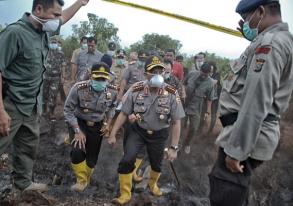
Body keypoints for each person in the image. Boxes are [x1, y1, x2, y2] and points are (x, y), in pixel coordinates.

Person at [0, 0, 89, 193]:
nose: (58, 19)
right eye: (54, 14)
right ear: (38, 9)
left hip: (31, 106)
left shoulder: (43, 30)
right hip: (10, 105)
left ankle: (23, 183)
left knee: (27, 148)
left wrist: (80, 3)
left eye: (58, 14)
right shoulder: (15, 33)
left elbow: (64, 18)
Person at [209, 0, 293, 205]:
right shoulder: (273, 40)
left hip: (245, 134)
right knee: (234, 193)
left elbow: (256, 100)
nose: (245, 23)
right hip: (248, 131)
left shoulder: (270, 43)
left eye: (247, 18)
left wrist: (236, 150)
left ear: (261, 11)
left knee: (226, 191)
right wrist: (254, 39)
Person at [107, 55, 185, 205]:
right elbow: (124, 113)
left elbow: (176, 122)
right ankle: (125, 193)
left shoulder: (171, 93)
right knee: (127, 159)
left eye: (160, 71)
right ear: (145, 74)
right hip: (138, 131)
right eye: (153, 71)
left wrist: (174, 147)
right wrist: (112, 134)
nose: (157, 74)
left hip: (159, 134)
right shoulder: (135, 89)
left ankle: (152, 184)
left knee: (156, 164)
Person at [64, 62, 117, 192]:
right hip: (79, 123)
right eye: (97, 78)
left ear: (108, 78)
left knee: (92, 158)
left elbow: (112, 108)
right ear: (90, 76)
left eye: (103, 79)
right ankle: (80, 180)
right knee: (77, 151)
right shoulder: (79, 88)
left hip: (97, 126)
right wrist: (77, 130)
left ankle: (86, 178)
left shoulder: (112, 90)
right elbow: (68, 110)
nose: (100, 81)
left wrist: (108, 124)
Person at [183, 63, 215, 154]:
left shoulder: (210, 83)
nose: (204, 76)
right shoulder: (192, 74)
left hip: (196, 107)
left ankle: (187, 143)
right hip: (184, 104)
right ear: (200, 70)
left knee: (194, 128)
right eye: (203, 73)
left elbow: (209, 98)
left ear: (210, 73)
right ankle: (176, 142)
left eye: (206, 74)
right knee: (180, 124)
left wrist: (208, 111)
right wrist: (183, 92)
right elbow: (182, 83)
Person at [43, 36, 67, 119]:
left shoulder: (61, 53)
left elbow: (63, 65)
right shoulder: (45, 52)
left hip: (55, 78)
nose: (53, 44)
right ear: (49, 43)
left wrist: (63, 77)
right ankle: (44, 111)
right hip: (45, 77)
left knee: (53, 95)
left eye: (54, 43)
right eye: (51, 43)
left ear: (57, 43)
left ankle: (52, 113)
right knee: (44, 95)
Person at [207, 61, 222, 134]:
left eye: (211, 66)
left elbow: (214, 82)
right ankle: (201, 127)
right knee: (203, 112)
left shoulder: (217, 74)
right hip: (206, 97)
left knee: (213, 113)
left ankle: (210, 130)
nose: (210, 67)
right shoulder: (207, 73)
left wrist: (206, 77)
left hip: (215, 97)